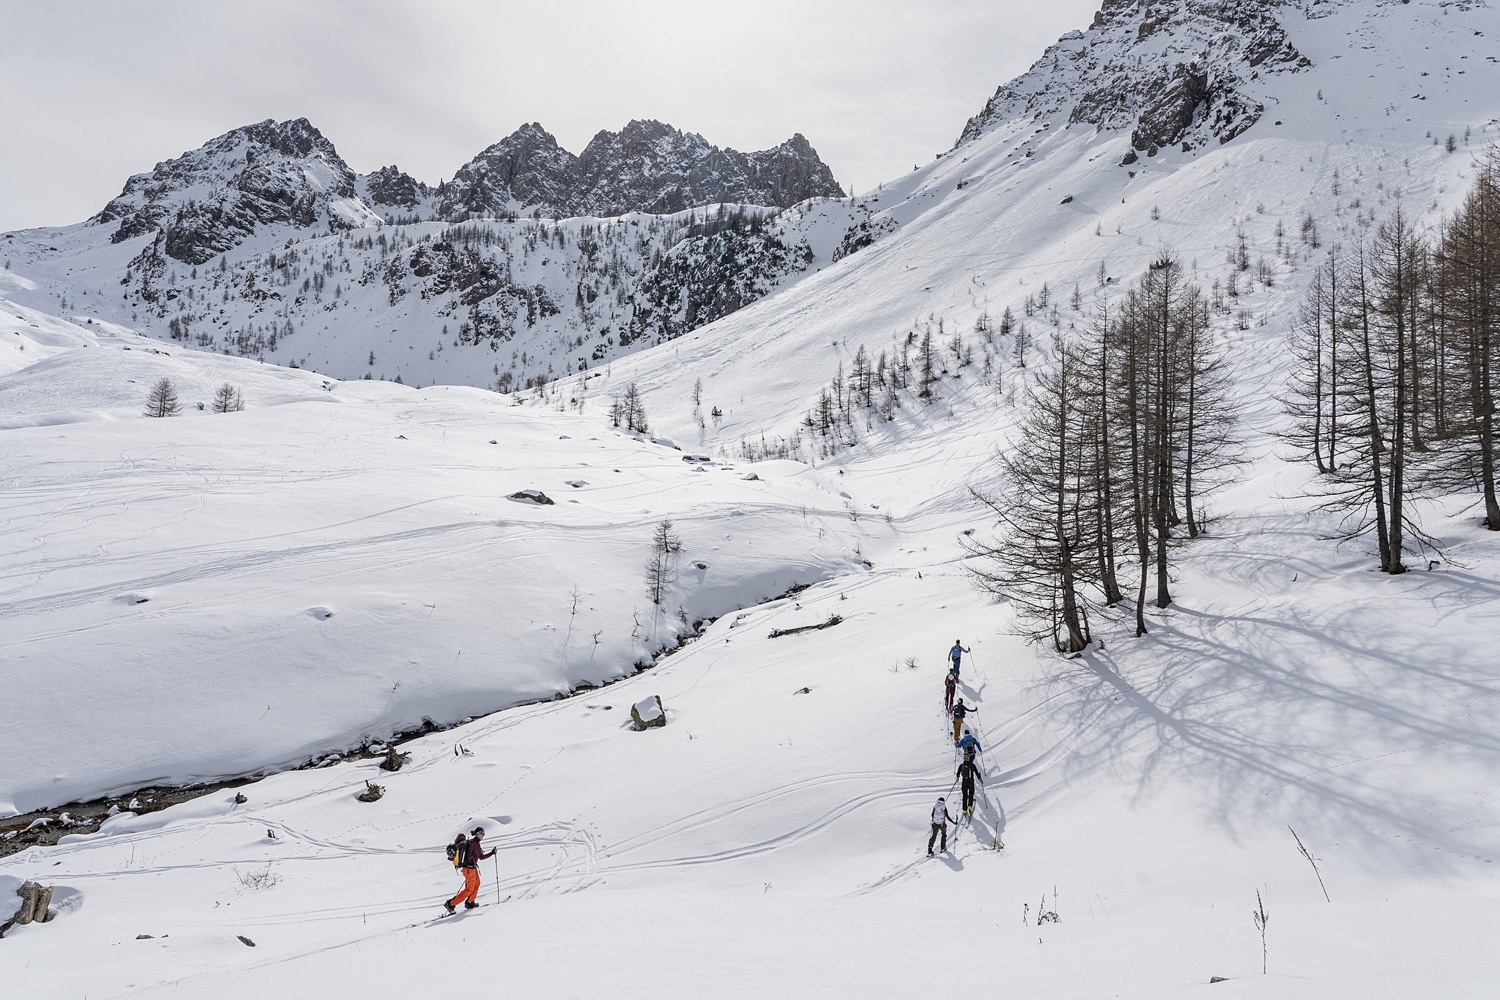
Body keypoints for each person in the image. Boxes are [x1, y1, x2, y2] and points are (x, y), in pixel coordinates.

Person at [443, 826, 495, 914]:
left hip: (471, 868)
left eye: (483, 833)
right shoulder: (475, 843)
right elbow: (481, 857)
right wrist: (492, 853)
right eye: (482, 833)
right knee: (469, 890)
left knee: (477, 884)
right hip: (469, 869)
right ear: (478, 834)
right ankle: (451, 904)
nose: (483, 835)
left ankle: (470, 902)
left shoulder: (472, 842)